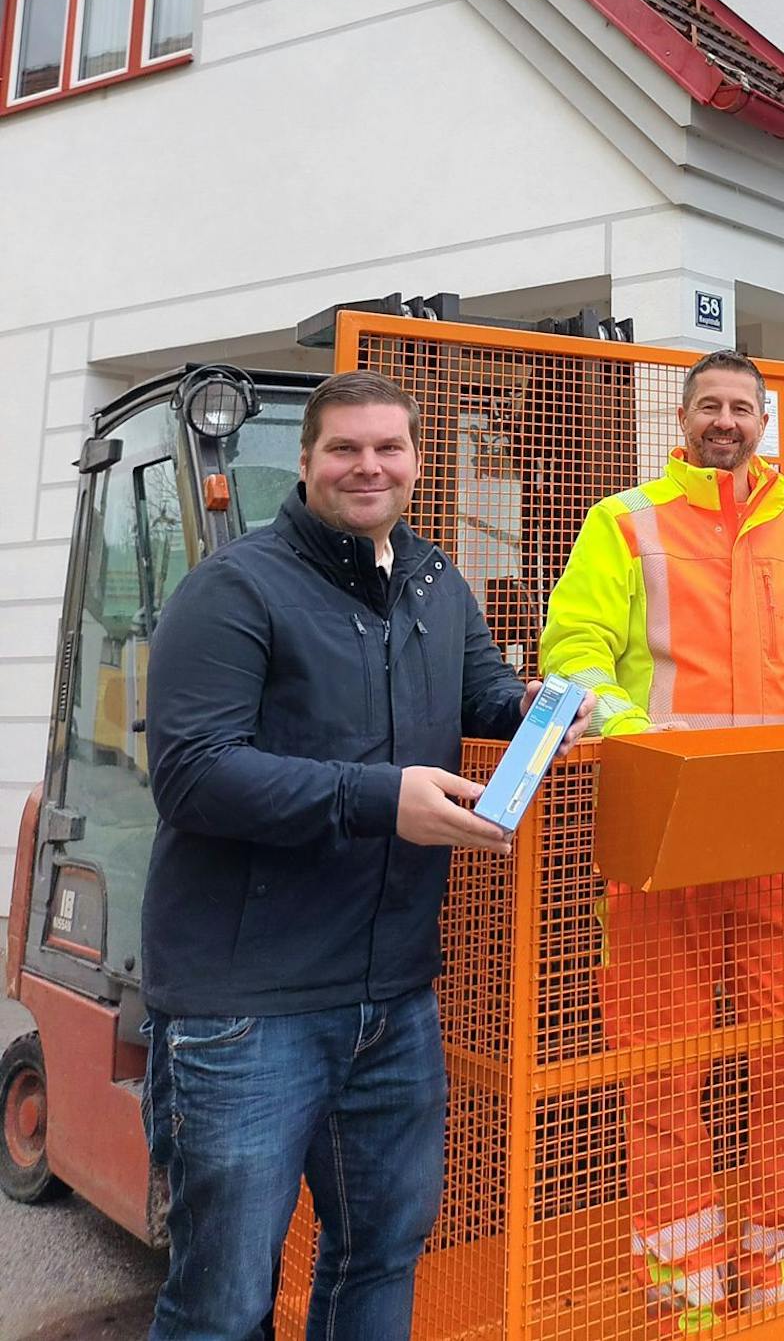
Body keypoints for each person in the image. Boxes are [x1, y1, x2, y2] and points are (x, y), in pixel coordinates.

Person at [141, 371, 590, 1341]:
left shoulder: (433, 580)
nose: (367, 465)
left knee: (378, 1263)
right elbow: (193, 775)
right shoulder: (232, 589)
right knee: (221, 1303)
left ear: (418, 462)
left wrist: (539, 709)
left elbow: (480, 694)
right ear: (304, 462)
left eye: (388, 447)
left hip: (392, 1001)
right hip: (246, 1010)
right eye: (344, 448)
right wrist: (383, 798)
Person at [541, 348, 784, 1335]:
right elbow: (575, 656)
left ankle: (773, 1265)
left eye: (740, 407)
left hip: (771, 838)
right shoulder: (621, 523)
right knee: (662, 1069)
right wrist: (646, 743)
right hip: (659, 842)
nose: (725, 420)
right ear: (680, 420)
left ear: (763, 421)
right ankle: (686, 1288)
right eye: (708, 405)